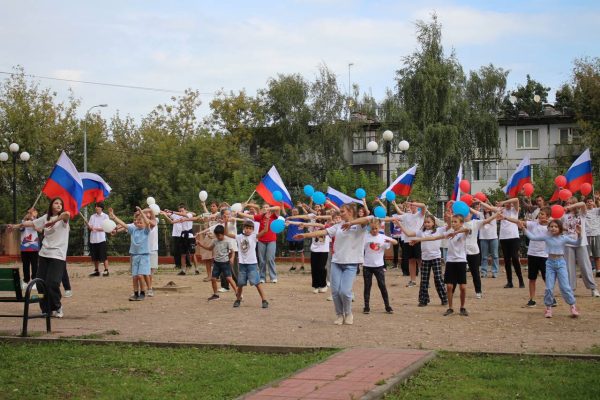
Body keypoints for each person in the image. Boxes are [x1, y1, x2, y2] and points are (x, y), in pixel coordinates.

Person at [294, 203, 370, 325]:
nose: (340, 213)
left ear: (351, 212)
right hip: (336, 262)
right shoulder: (338, 226)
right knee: (335, 292)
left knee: (345, 292)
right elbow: (324, 231)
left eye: (343, 211)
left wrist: (351, 223)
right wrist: (305, 235)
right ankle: (339, 315)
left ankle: (348, 313)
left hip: (351, 264)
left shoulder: (359, 226)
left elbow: (368, 218)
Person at [9, 198, 70, 318]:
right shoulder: (45, 217)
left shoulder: (63, 219)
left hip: (58, 255)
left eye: (60, 204)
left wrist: (53, 221)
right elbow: (30, 223)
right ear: (51, 205)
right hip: (44, 254)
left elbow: (66, 214)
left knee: (52, 283)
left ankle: (57, 307)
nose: (59, 205)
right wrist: (15, 226)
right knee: (40, 284)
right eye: (56, 203)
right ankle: (46, 309)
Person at [523, 220, 582, 318]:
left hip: (561, 263)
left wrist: (579, 234)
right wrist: (523, 228)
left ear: (560, 228)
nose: (553, 228)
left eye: (556, 226)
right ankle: (548, 308)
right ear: (548, 228)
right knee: (549, 288)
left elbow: (577, 243)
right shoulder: (546, 237)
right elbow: (533, 237)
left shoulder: (564, 238)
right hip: (550, 264)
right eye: (551, 226)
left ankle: (573, 306)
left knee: (565, 287)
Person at [503, 207, 551, 307]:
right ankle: (532, 299)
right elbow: (518, 221)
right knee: (532, 279)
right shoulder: (533, 224)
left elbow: (561, 227)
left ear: (548, 216)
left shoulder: (551, 227)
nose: (540, 216)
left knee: (546, 279)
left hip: (544, 255)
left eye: (542, 214)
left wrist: (549, 222)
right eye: (540, 214)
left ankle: (551, 297)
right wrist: (505, 217)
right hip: (532, 254)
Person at [109, 207, 151, 301]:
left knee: (140, 275)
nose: (138, 223)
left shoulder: (146, 231)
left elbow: (148, 223)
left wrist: (141, 212)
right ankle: (135, 293)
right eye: (137, 222)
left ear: (144, 223)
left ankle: (143, 293)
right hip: (135, 256)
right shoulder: (133, 230)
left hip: (144, 256)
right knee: (135, 276)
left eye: (140, 222)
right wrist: (113, 217)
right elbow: (123, 224)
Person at [481, 198, 525, 289]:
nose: (508, 205)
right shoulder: (501, 210)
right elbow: (489, 207)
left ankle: (521, 280)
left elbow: (517, 199)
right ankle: (509, 282)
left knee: (515, 258)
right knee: (507, 260)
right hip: (504, 238)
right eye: (506, 204)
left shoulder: (515, 210)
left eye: (509, 203)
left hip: (514, 237)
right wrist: (480, 201)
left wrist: (504, 202)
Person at [225, 218, 268, 308]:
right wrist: (225, 223)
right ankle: (238, 300)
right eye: (246, 228)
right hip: (242, 264)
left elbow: (265, 231)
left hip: (252, 264)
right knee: (240, 284)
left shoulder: (254, 237)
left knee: (257, 283)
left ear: (253, 230)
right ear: (243, 228)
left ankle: (264, 300)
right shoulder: (239, 237)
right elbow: (227, 233)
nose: (248, 230)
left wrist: (267, 220)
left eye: (250, 228)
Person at [562, 197, 600, 297]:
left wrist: (570, 206)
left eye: (570, 203)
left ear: (575, 204)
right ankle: (570, 289)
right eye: (567, 203)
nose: (568, 205)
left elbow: (583, 203)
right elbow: (559, 226)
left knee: (585, 266)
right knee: (569, 268)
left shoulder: (582, 214)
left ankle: (593, 288)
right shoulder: (564, 215)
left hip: (581, 243)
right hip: (568, 244)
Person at [407, 214, 447, 307]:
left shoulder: (439, 230)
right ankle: (423, 300)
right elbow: (409, 234)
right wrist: (399, 224)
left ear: (433, 223)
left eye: (428, 222)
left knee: (438, 278)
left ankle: (444, 298)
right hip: (425, 258)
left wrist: (449, 217)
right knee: (424, 279)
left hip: (436, 257)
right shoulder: (421, 232)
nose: (426, 224)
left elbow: (449, 226)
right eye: (425, 222)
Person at [237, 203, 280, 283]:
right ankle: (262, 277)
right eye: (264, 207)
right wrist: (239, 212)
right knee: (262, 260)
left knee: (270, 258)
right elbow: (249, 216)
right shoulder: (260, 216)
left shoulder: (273, 216)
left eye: (267, 207)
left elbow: (278, 207)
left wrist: (269, 209)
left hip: (271, 240)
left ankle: (273, 277)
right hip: (261, 240)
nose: (265, 208)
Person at [362, 219, 397, 314]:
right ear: (369, 228)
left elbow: (395, 242)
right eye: (372, 228)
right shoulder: (365, 237)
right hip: (367, 266)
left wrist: (391, 241)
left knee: (382, 286)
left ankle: (387, 306)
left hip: (379, 266)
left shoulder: (383, 237)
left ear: (379, 227)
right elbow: (359, 247)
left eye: (376, 228)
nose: (374, 230)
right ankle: (366, 306)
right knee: (367, 286)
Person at [197, 224, 238, 300]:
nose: (218, 237)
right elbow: (210, 248)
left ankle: (237, 293)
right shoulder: (215, 241)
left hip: (225, 263)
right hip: (217, 263)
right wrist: (201, 245)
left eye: (219, 235)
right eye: (217, 235)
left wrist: (232, 258)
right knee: (213, 279)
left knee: (229, 278)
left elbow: (233, 252)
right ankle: (216, 295)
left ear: (223, 234)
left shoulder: (227, 241)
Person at [395, 201, 426, 286]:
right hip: (407, 241)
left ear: (417, 206)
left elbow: (423, 205)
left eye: (413, 205)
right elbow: (393, 218)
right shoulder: (406, 215)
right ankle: (413, 281)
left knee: (420, 261)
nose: (412, 206)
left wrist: (413, 203)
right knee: (411, 261)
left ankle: (424, 280)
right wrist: (380, 219)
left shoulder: (420, 214)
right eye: (411, 205)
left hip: (417, 240)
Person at [19, 208, 41, 290]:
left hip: (34, 247)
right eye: (30, 211)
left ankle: (34, 281)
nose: (32, 213)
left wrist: (33, 220)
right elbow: (21, 228)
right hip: (24, 247)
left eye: (34, 211)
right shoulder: (23, 221)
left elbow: (38, 229)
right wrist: (25, 218)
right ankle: (26, 280)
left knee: (35, 265)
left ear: (36, 213)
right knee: (25, 265)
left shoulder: (37, 221)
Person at [87, 202, 110, 277]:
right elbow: (90, 227)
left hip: (101, 239)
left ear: (101, 208)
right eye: (95, 206)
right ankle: (96, 270)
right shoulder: (92, 216)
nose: (96, 208)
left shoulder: (105, 216)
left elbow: (106, 228)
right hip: (93, 239)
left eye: (97, 206)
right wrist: (89, 227)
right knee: (95, 256)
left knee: (103, 256)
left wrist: (96, 229)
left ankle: (106, 270)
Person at [479, 205, 499, 279]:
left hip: (493, 237)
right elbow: (472, 210)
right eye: (484, 206)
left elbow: (498, 209)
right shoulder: (480, 214)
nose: (486, 208)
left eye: (487, 206)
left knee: (495, 256)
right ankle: (484, 272)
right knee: (484, 256)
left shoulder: (494, 213)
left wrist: (488, 205)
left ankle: (495, 272)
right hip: (483, 238)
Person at [584, 196, 600, 278]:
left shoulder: (597, 210)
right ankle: (589, 271)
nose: (589, 203)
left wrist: (598, 200)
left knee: (597, 255)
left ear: (593, 203)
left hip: (596, 234)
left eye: (591, 201)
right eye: (588, 202)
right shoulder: (583, 212)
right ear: (585, 203)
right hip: (586, 235)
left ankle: (598, 271)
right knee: (588, 256)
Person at [286, 207, 305, 272]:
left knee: (301, 253)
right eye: (293, 211)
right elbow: (284, 213)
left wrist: (303, 207)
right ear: (291, 212)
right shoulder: (289, 218)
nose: (294, 212)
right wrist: (282, 206)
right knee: (292, 253)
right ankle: (294, 266)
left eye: (296, 211)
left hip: (299, 238)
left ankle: (302, 266)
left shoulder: (301, 218)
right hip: (291, 238)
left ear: (298, 212)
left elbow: (306, 215)